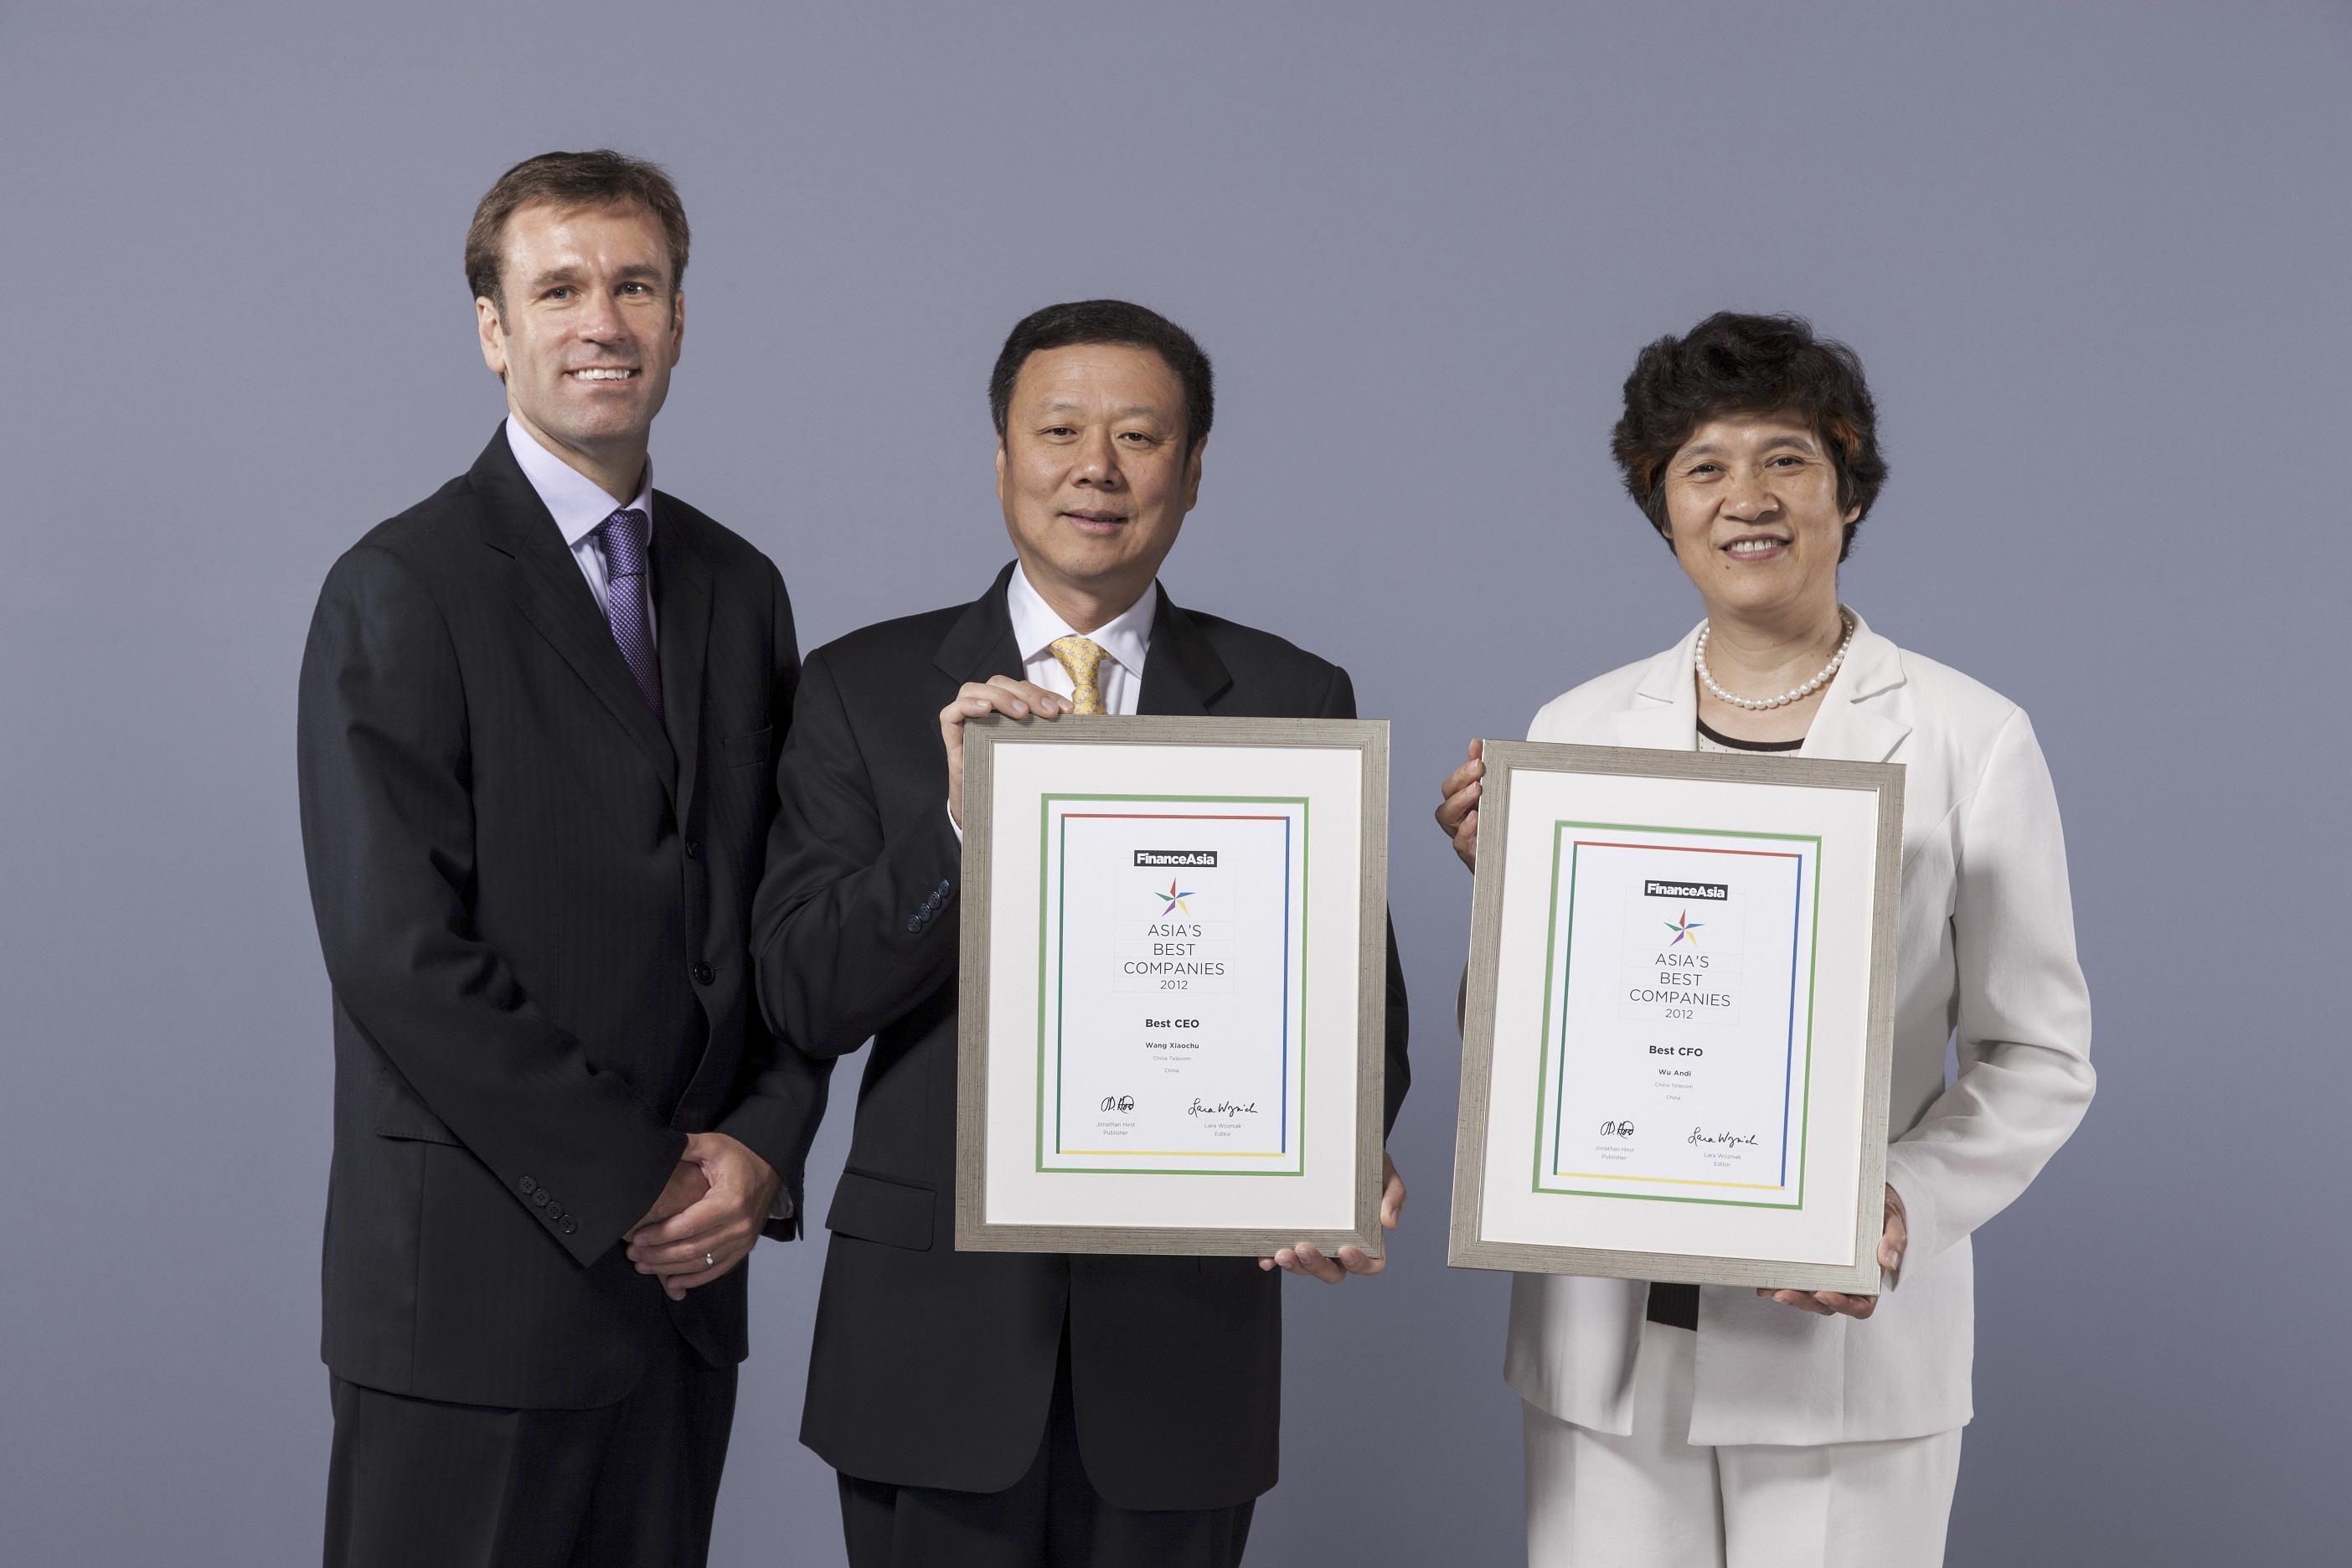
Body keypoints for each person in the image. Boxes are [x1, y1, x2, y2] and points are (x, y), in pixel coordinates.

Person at [751, 299, 1411, 1566]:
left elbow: (1357, 1001)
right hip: (929, 1338)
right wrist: (960, 822)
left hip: (1184, 1345)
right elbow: (805, 994)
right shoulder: (859, 685)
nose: (1095, 468)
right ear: (1002, 458)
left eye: (1138, 437)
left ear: (1193, 472)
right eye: (1058, 431)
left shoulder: (1290, 694)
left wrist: (1340, 1154)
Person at [1434, 312, 2095, 1567]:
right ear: (1664, 506)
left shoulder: (1969, 735)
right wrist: (1513, 900)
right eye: (1704, 467)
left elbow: (2040, 1055)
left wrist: (1898, 1203)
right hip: (1604, 1345)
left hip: (1842, 1349)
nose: (1748, 497)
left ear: (1850, 491)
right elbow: (1514, 1055)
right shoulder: (1577, 730)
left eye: (1787, 458)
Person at [296, 149, 825, 1568]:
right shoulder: (400, 587)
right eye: (560, 289)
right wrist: (638, 1177)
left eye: (636, 286)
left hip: (684, 1294)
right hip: (475, 1299)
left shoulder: (741, 589)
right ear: (494, 329)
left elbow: (780, 919)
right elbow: (398, 953)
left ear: (679, 318)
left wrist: (762, 1151)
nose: (604, 321)